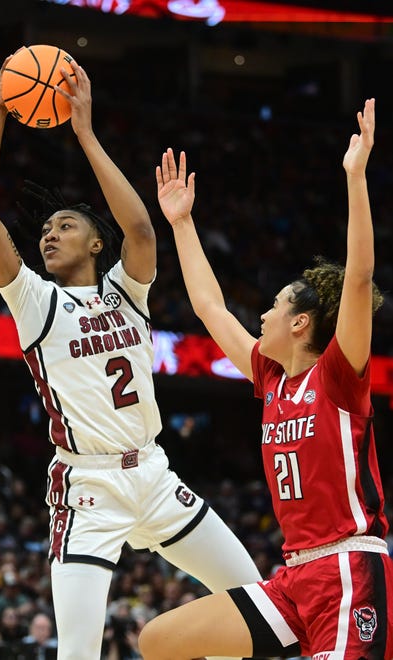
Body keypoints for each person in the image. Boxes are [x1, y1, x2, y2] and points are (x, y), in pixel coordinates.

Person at [0, 52, 262, 660]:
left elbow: (145, 233)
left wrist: (85, 132)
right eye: (44, 229)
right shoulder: (34, 302)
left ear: (97, 242)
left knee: (257, 603)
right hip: (88, 486)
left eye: (65, 225)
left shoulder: (125, 290)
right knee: (78, 654)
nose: (49, 233)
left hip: (153, 474)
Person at [138, 98, 393, 658]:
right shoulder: (270, 375)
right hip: (291, 579)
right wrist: (181, 222)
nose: (262, 314)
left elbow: (359, 280)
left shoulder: (338, 377)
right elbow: (209, 307)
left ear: (300, 322)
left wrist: (355, 178)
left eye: (275, 306)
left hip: (348, 569)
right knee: (158, 640)